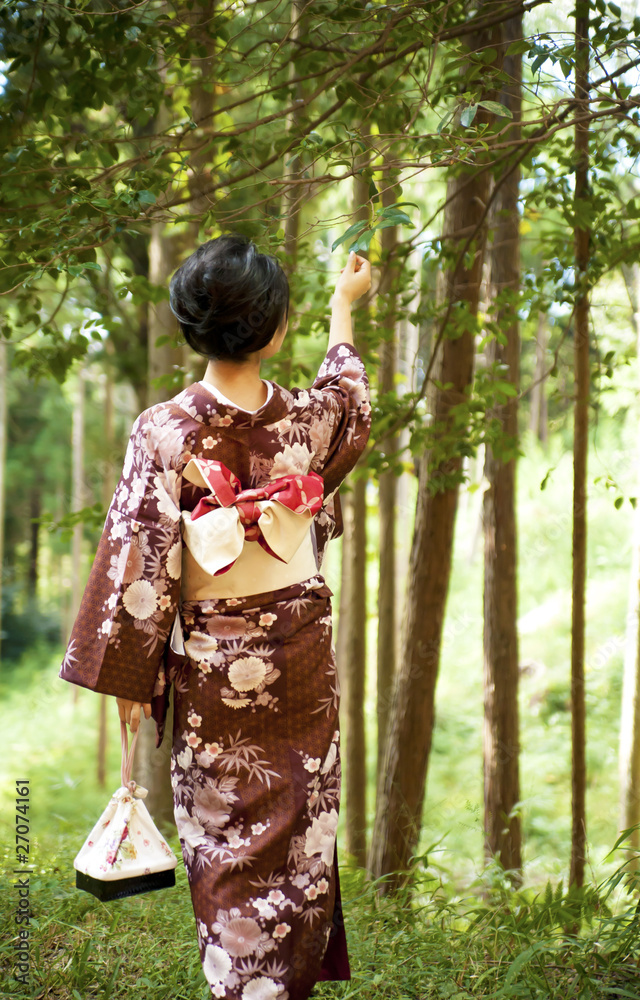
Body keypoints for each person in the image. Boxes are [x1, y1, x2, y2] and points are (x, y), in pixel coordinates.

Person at [59, 234, 372, 1000]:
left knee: (227, 846)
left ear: (190, 327)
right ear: (272, 330)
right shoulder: (305, 421)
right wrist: (344, 308)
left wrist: (133, 675)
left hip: (215, 667)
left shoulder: (164, 429)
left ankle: (242, 983)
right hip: (302, 656)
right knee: (299, 836)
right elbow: (351, 399)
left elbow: (140, 561)